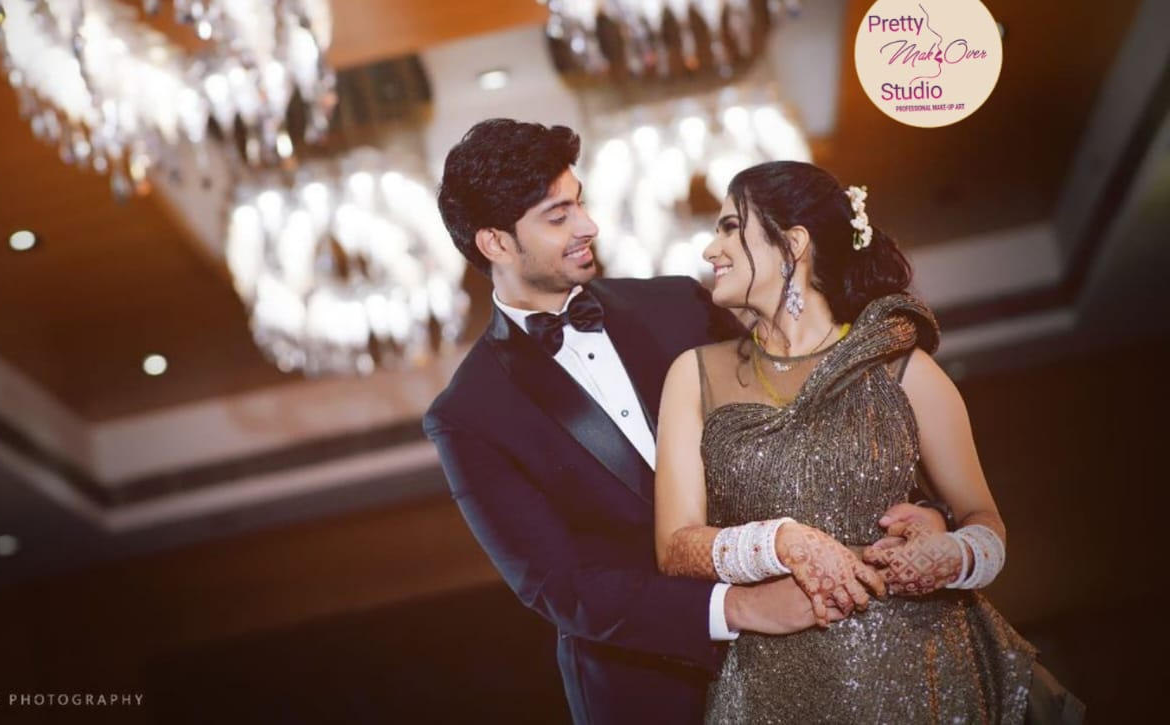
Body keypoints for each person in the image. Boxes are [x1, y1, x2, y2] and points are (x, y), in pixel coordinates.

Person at [423, 120, 936, 724]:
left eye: (580, 202)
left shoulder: (678, 303)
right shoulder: (468, 413)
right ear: (495, 244)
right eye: (558, 217)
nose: (588, 226)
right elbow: (559, 587)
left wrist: (923, 509)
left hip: (817, 638)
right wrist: (740, 608)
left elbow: (807, 424)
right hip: (650, 686)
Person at [654, 160, 1038, 723]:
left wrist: (951, 554)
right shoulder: (694, 375)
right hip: (773, 689)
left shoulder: (901, 367)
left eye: (730, 227)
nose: (711, 250)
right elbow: (675, 547)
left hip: (921, 673)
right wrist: (781, 542)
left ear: (793, 243)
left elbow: (986, 522)